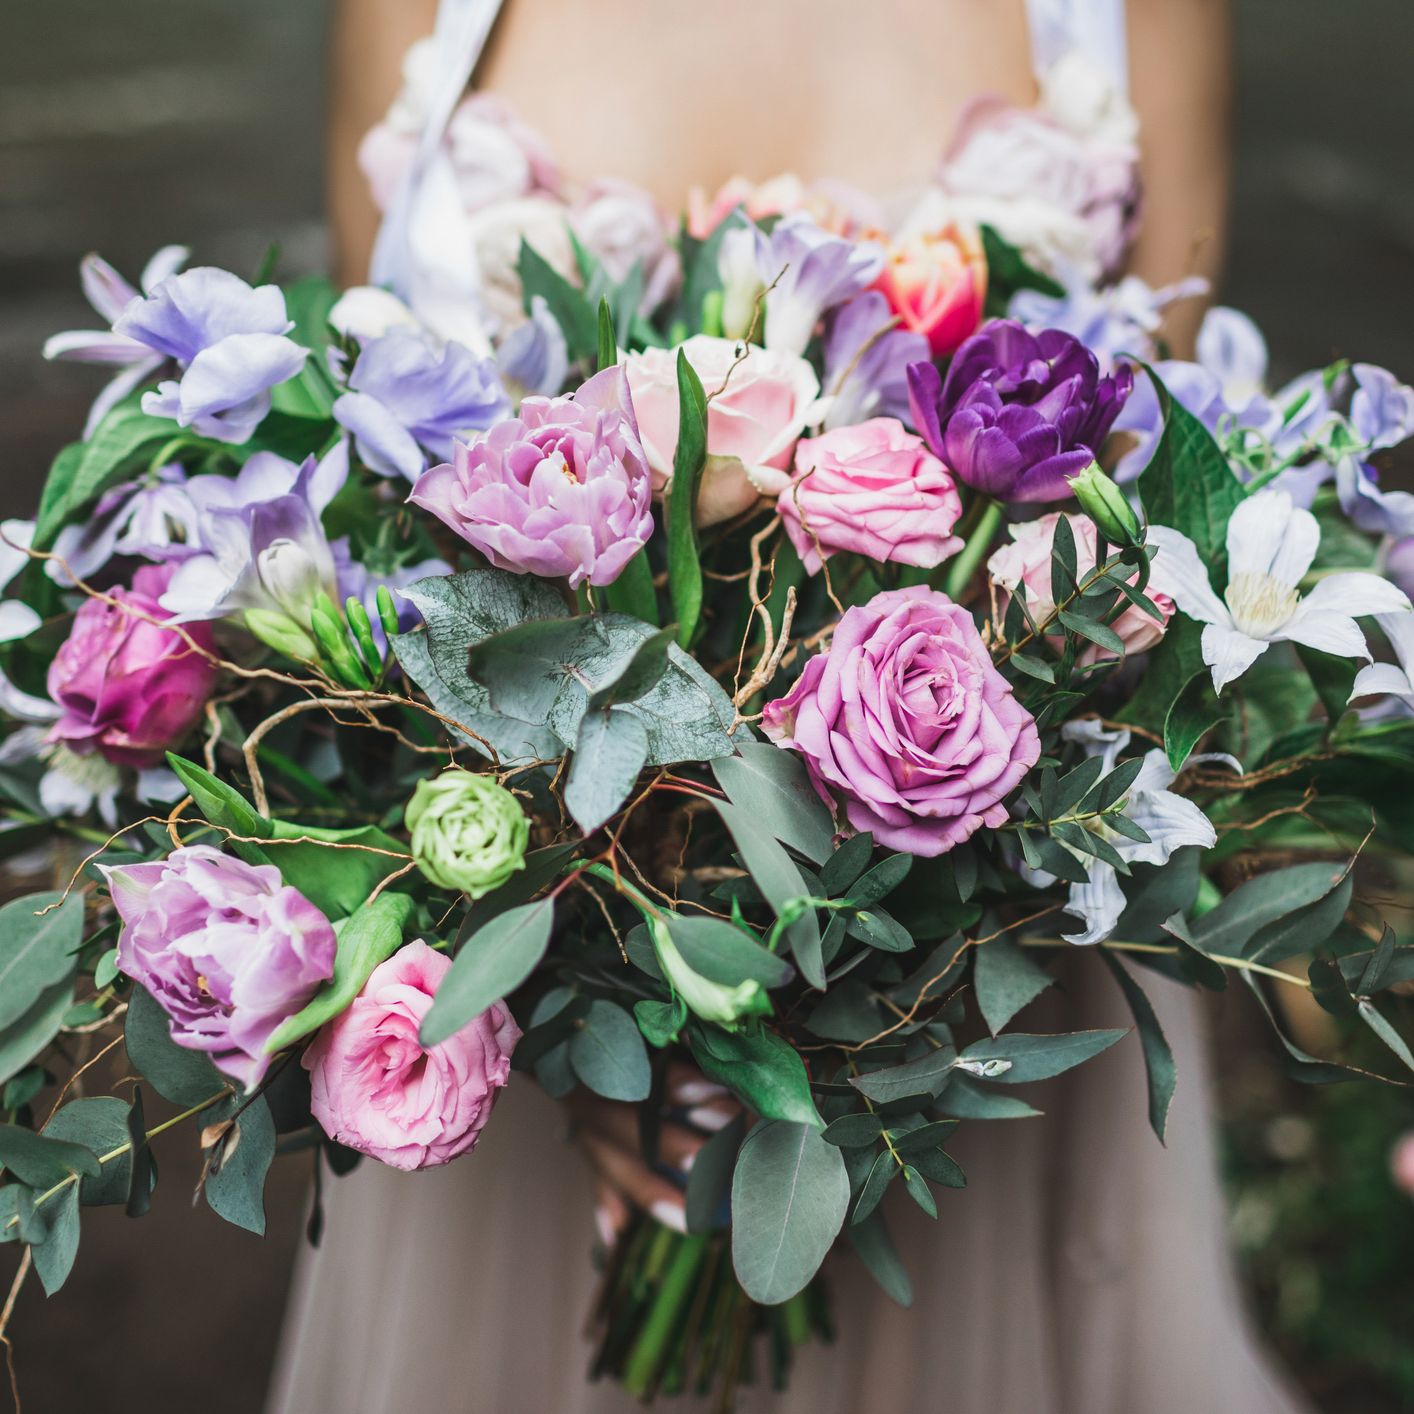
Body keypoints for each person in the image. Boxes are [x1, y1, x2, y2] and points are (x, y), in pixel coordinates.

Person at [268, 2, 1312, 1409]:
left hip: (966, 1038)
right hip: (514, 1043)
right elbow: (379, 528)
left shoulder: (1144, 18)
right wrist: (590, 996)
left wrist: (833, 999)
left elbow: (1152, 527)